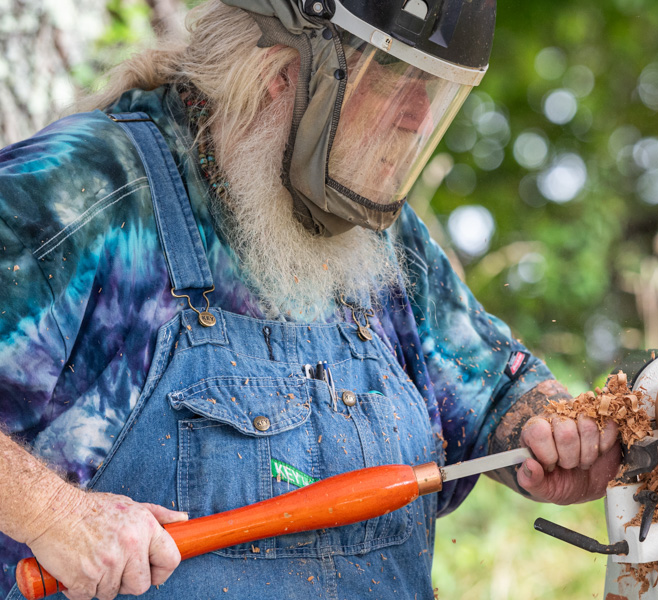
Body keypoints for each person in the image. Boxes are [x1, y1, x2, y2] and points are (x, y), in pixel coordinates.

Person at [0, 1, 621, 599]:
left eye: (435, 90)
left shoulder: (377, 239)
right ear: (279, 73)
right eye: (395, 77)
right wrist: (56, 515)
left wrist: (554, 435)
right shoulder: (85, 190)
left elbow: (498, 397)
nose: (419, 117)